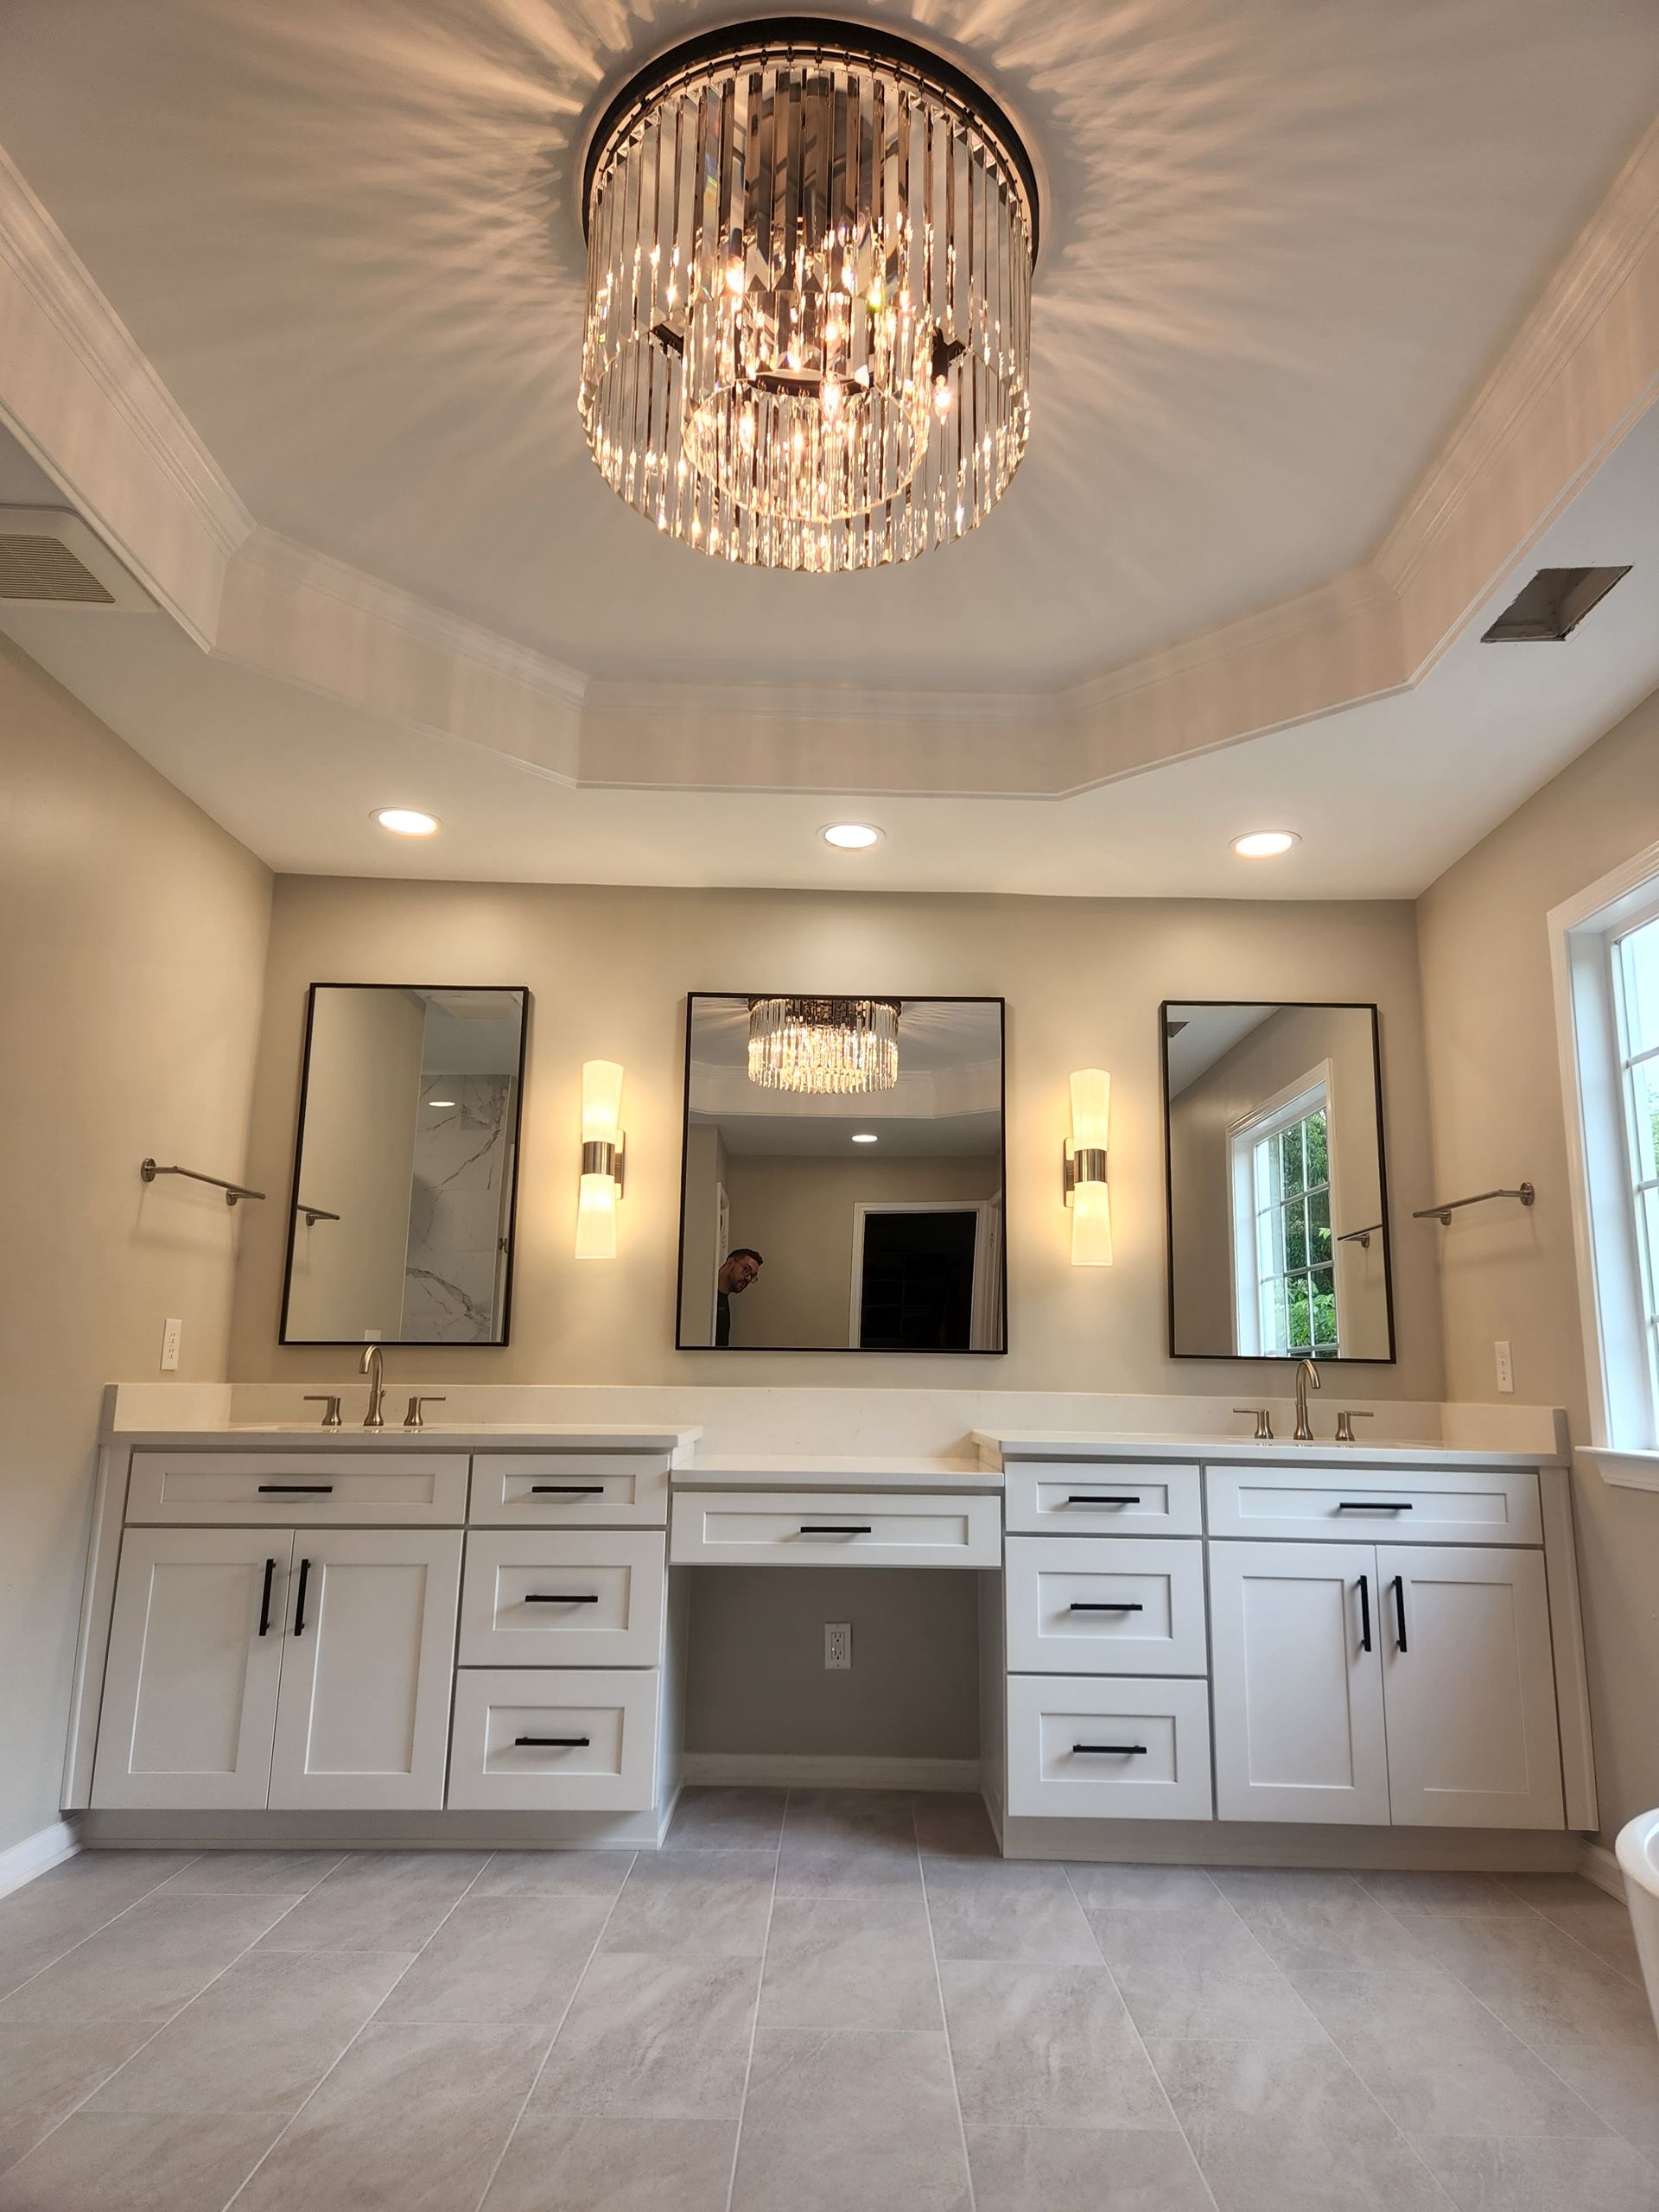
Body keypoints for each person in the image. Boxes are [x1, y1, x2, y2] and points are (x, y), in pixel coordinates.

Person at [715, 1247, 763, 1346]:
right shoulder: (706, 1298)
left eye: (752, 1276)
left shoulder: (724, 1302)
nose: (748, 1278)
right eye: (746, 1270)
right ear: (730, 1263)